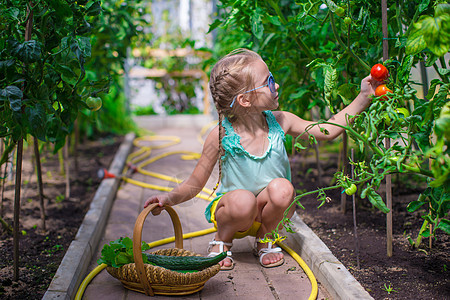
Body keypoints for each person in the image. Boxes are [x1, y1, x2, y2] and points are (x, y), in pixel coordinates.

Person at [144, 48, 379, 270]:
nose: (275, 84)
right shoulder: (221, 135)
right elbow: (195, 183)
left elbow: (326, 130)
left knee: (283, 189)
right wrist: (168, 199)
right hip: (233, 214)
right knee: (242, 200)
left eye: (272, 77)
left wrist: (363, 97)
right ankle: (222, 241)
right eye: (267, 82)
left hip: (269, 215)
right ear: (245, 100)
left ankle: (264, 239)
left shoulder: (281, 121)